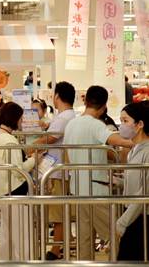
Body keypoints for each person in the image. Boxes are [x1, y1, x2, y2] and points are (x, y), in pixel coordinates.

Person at [63, 85, 134, 260]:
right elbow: (114, 140)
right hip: (96, 190)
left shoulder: (71, 124)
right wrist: (136, 142)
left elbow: (67, 155)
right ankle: (117, 263)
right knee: (115, 234)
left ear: (85, 101)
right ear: (104, 106)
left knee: (84, 239)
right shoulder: (96, 125)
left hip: (77, 189)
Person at [32, 81, 77, 260]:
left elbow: (49, 139)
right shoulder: (69, 116)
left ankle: (55, 250)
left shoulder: (63, 118)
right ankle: (65, 242)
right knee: (60, 209)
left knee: (58, 212)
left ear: (57, 96)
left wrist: (28, 147)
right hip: (59, 169)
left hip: (58, 171)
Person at [0, 102, 36, 260]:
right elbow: (18, 170)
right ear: (14, 119)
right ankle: (23, 261)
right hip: (15, 190)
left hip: (2, 190)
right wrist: (34, 160)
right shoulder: (10, 140)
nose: (22, 122)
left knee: (7, 232)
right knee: (21, 233)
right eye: (21, 118)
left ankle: (7, 261)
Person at [116, 101, 149, 260]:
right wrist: (118, 181)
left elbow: (145, 191)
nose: (121, 126)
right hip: (132, 213)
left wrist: (123, 222)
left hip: (142, 217)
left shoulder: (147, 152)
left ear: (140, 124)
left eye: (125, 121)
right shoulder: (134, 150)